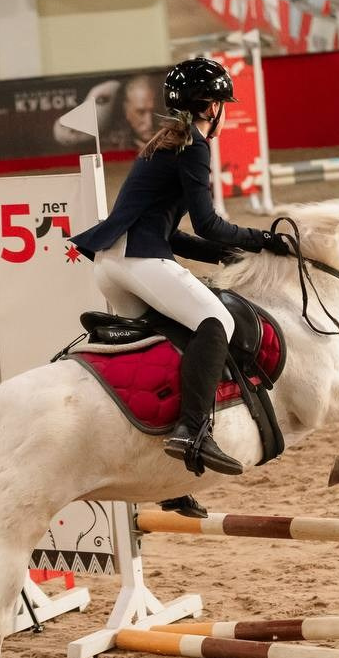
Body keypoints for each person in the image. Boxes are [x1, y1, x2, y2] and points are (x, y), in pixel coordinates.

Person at [70, 57, 289, 477]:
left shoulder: (163, 142)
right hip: (139, 261)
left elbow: (169, 231)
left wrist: (227, 256)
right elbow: (209, 224)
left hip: (110, 263)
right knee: (216, 321)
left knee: (165, 344)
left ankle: (164, 474)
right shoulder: (195, 145)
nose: (224, 111)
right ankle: (194, 429)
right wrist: (263, 240)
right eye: (224, 103)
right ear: (211, 107)